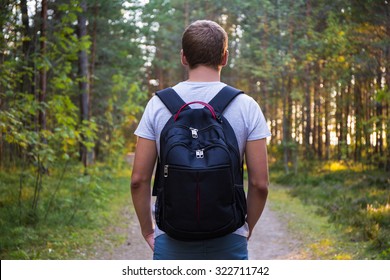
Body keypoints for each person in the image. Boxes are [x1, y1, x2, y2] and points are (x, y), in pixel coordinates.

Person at [131, 20, 270, 260]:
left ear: (184, 57)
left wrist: (148, 230)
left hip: (172, 239)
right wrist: (245, 230)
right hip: (229, 237)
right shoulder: (247, 106)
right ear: (224, 57)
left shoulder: (157, 105)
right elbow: (260, 184)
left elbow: (138, 180)